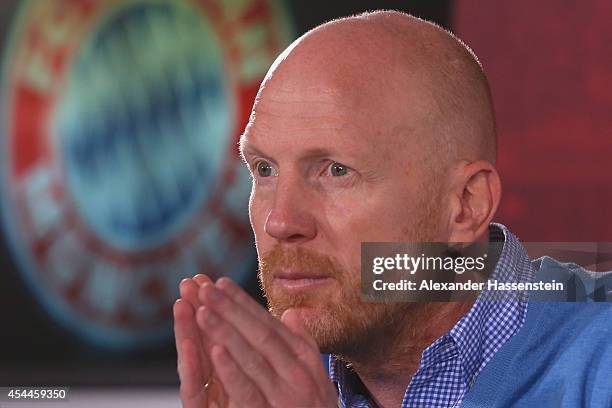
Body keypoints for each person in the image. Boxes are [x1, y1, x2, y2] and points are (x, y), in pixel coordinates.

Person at [173, 10, 612, 408]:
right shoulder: (274, 392)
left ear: (465, 205)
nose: (281, 221)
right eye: (264, 169)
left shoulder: (599, 362)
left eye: (336, 171)